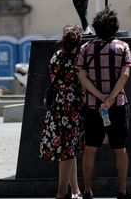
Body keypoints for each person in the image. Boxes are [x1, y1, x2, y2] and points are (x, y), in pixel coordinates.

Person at [76, 7, 131, 199]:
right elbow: (125, 74)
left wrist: (101, 97)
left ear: (96, 27)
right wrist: (110, 98)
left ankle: (87, 190)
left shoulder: (85, 48)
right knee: (120, 147)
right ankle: (122, 190)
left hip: (92, 106)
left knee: (90, 148)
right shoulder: (123, 47)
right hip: (117, 105)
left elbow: (82, 76)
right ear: (115, 27)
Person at [40, 25, 85, 199]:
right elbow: (81, 84)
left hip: (57, 105)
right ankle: (61, 192)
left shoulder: (55, 57)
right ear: (78, 41)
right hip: (73, 107)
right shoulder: (78, 60)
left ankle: (75, 190)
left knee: (68, 149)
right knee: (68, 150)